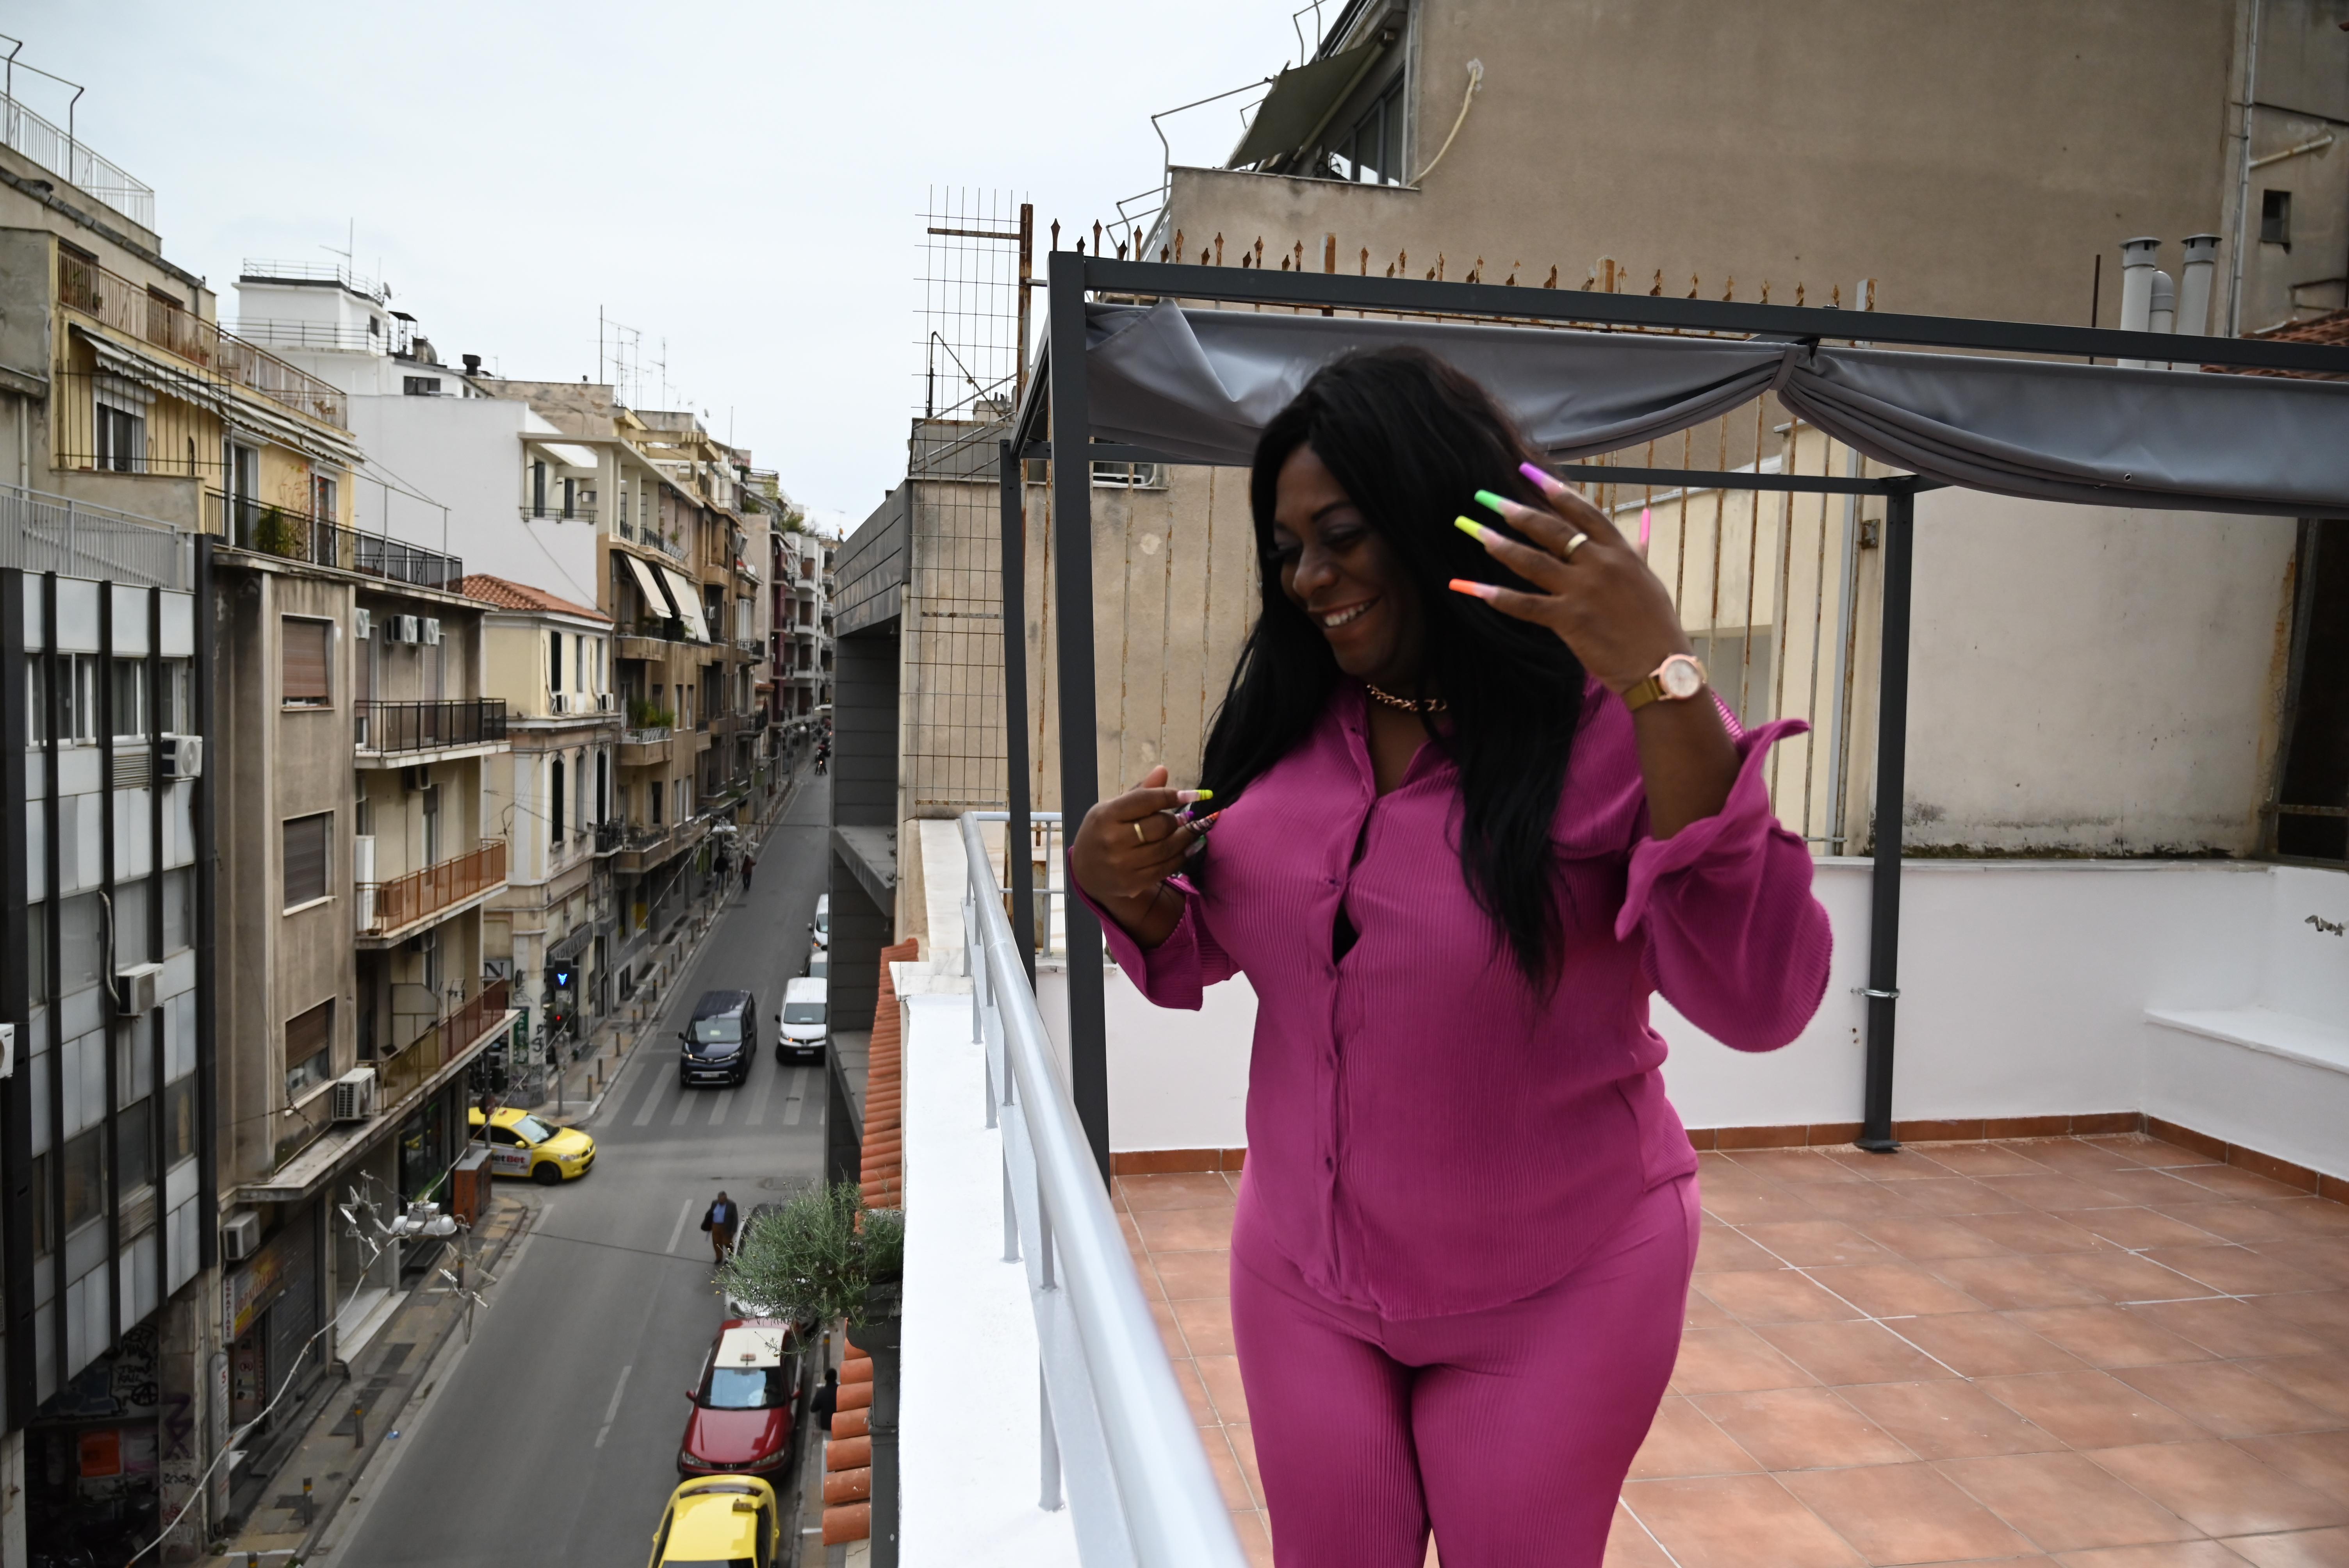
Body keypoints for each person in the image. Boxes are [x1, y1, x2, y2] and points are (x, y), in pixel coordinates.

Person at [1067, 349, 1830, 1568]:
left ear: (1440, 518)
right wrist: (1125, 890)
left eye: (1344, 534)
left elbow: (1759, 994)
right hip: (1301, 1281)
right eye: (1287, 546)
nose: (1309, 577)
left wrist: (1663, 672)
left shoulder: (1611, 729)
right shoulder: (1287, 722)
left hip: (1560, 1289)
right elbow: (1257, 932)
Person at [701, 1190, 740, 1266]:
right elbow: (711, 1213)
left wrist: (733, 1230)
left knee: (727, 1243)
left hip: (726, 1227)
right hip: (716, 1226)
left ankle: (732, 1256)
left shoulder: (732, 1205)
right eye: (720, 1200)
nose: (722, 1201)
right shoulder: (715, 1203)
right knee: (717, 1243)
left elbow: (735, 1218)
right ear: (718, 1199)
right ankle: (719, 1257)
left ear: (726, 1198)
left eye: (724, 1200)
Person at [810, 1366, 840, 1435]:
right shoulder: (842, 1391)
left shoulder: (821, 1393)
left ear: (826, 1379)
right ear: (836, 1377)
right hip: (840, 1422)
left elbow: (813, 1409)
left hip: (827, 1426)